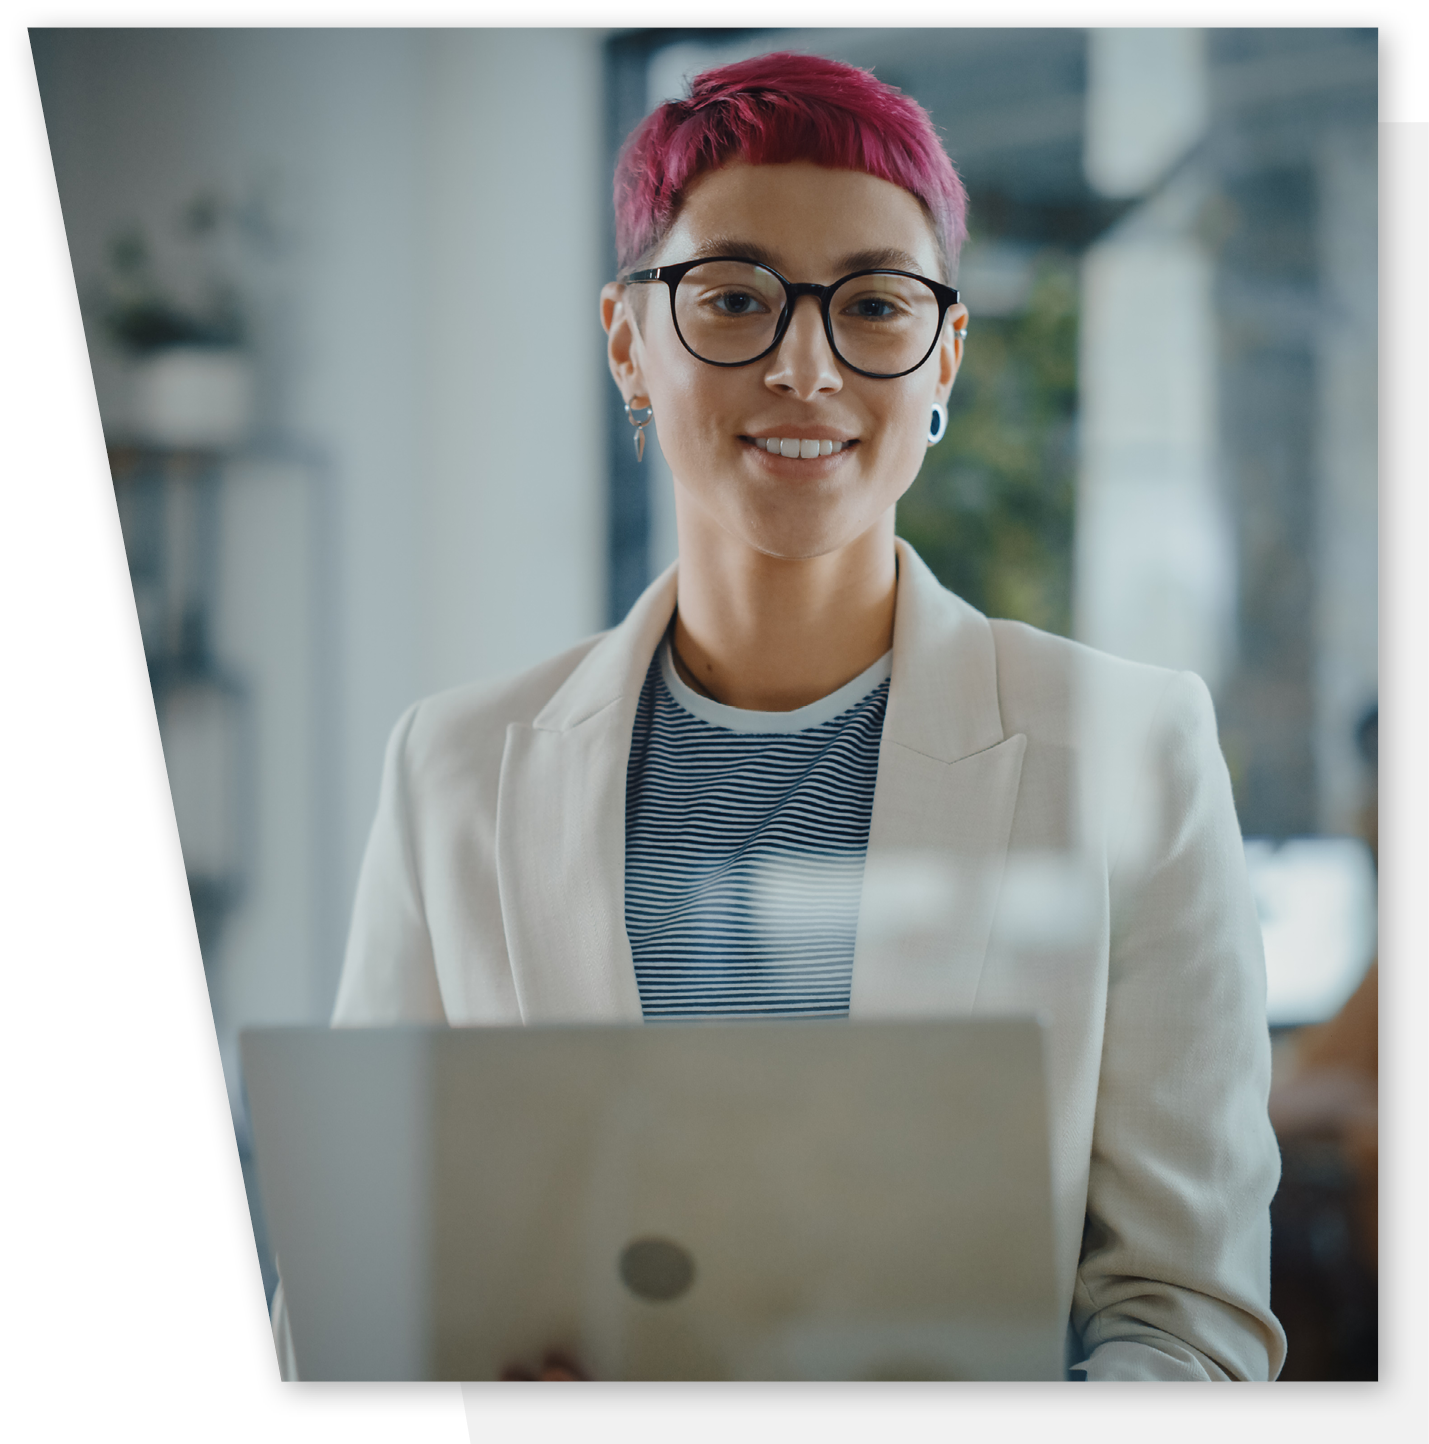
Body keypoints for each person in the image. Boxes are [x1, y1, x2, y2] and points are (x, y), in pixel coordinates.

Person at [275, 52, 1285, 1381]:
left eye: (874, 305)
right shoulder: (455, 769)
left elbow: (1186, 1319)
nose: (805, 367)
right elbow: (353, 1312)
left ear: (944, 356)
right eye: (735, 298)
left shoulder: (1133, 750)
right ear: (630, 343)